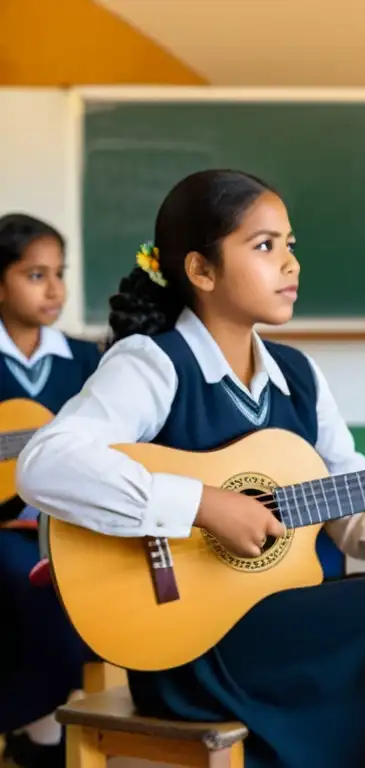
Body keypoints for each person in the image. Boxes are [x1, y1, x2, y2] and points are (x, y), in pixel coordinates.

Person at [15, 170, 365, 768]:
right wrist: (203, 505)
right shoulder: (152, 363)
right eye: (264, 246)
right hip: (196, 649)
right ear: (201, 270)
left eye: (289, 245)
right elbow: (45, 463)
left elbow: (350, 520)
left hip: (293, 625)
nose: (290, 264)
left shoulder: (300, 376)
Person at [0, 213, 102, 768]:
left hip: (68, 524)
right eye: (35, 275)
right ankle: (36, 729)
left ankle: (42, 728)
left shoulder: (88, 361)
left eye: (59, 273)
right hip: (6, 533)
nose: (56, 289)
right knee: (29, 585)